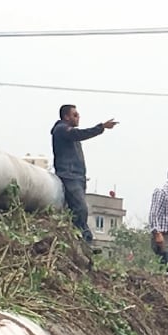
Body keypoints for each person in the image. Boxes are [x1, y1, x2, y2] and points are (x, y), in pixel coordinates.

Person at [50, 104, 117, 244]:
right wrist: (101, 127)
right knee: (81, 209)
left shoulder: (69, 133)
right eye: (74, 115)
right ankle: (85, 240)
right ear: (66, 116)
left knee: (77, 210)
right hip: (69, 176)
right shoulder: (62, 129)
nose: (78, 117)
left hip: (78, 177)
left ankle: (77, 241)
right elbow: (79, 134)